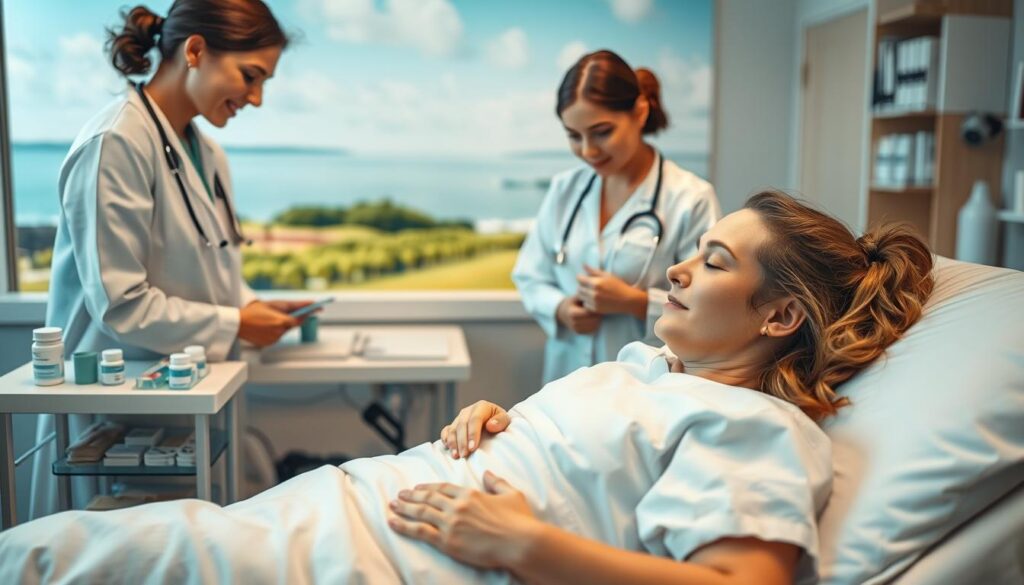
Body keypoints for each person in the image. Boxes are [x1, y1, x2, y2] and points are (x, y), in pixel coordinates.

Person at [1, 192, 934, 585]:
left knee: (67, 558)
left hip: (392, 557)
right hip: (352, 503)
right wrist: (507, 421)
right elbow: (591, 454)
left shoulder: (753, 425)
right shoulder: (648, 369)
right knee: (77, 546)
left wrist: (526, 541)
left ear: (777, 318)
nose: (679, 271)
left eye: (714, 260)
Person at [31, 0, 310, 518]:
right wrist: (237, 322)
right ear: (196, 50)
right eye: (251, 76)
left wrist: (254, 308)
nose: (256, 98)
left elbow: (213, 266)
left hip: (192, 400)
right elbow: (122, 305)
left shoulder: (207, 152)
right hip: (113, 415)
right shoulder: (115, 142)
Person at [513, 49, 721, 384]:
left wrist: (636, 303)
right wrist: (561, 309)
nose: (588, 151)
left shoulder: (690, 199)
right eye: (573, 136)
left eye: (601, 132)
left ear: (639, 113)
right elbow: (529, 276)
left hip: (645, 389)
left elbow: (711, 307)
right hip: (564, 387)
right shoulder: (565, 190)